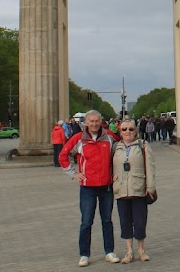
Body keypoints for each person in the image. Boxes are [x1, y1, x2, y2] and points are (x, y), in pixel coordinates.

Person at [61, 110, 121, 267]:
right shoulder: (78, 139)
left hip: (106, 186)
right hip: (87, 187)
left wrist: (117, 174)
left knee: (107, 220)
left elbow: (120, 152)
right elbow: (63, 155)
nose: (94, 124)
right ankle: (84, 254)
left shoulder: (109, 137)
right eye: (91, 121)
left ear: (101, 122)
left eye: (97, 121)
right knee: (86, 221)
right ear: (86, 123)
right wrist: (73, 174)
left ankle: (109, 251)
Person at [112, 119, 156, 263]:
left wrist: (150, 187)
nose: (127, 132)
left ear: (135, 131)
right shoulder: (115, 147)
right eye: (124, 129)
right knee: (125, 221)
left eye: (131, 129)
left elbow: (150, 167)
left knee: (139, 221)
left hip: (138, 188)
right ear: (120, 132)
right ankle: (129, 251)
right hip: (121, 189)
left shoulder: (143, 145)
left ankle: (141, 250)